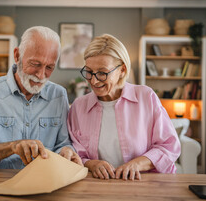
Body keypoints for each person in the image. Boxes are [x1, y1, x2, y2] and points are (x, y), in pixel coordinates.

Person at [0, 26, 82, 169]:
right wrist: (12, 147)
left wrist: (66, 151)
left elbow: (62, 144)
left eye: (49, 67)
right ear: (17, 55)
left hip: (44, 184)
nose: (41, 75)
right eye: (35, 64)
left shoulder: (58, 95)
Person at [67, 34, 180, 180]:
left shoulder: (146, 97)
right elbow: (75, 153)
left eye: (102, 73)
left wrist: (136, 165)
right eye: (89, 72)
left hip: (145, 183)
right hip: (97, 185)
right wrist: (92, 164)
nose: (93, 81)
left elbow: (169, 146)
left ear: (122, 70)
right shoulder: (78, 106)